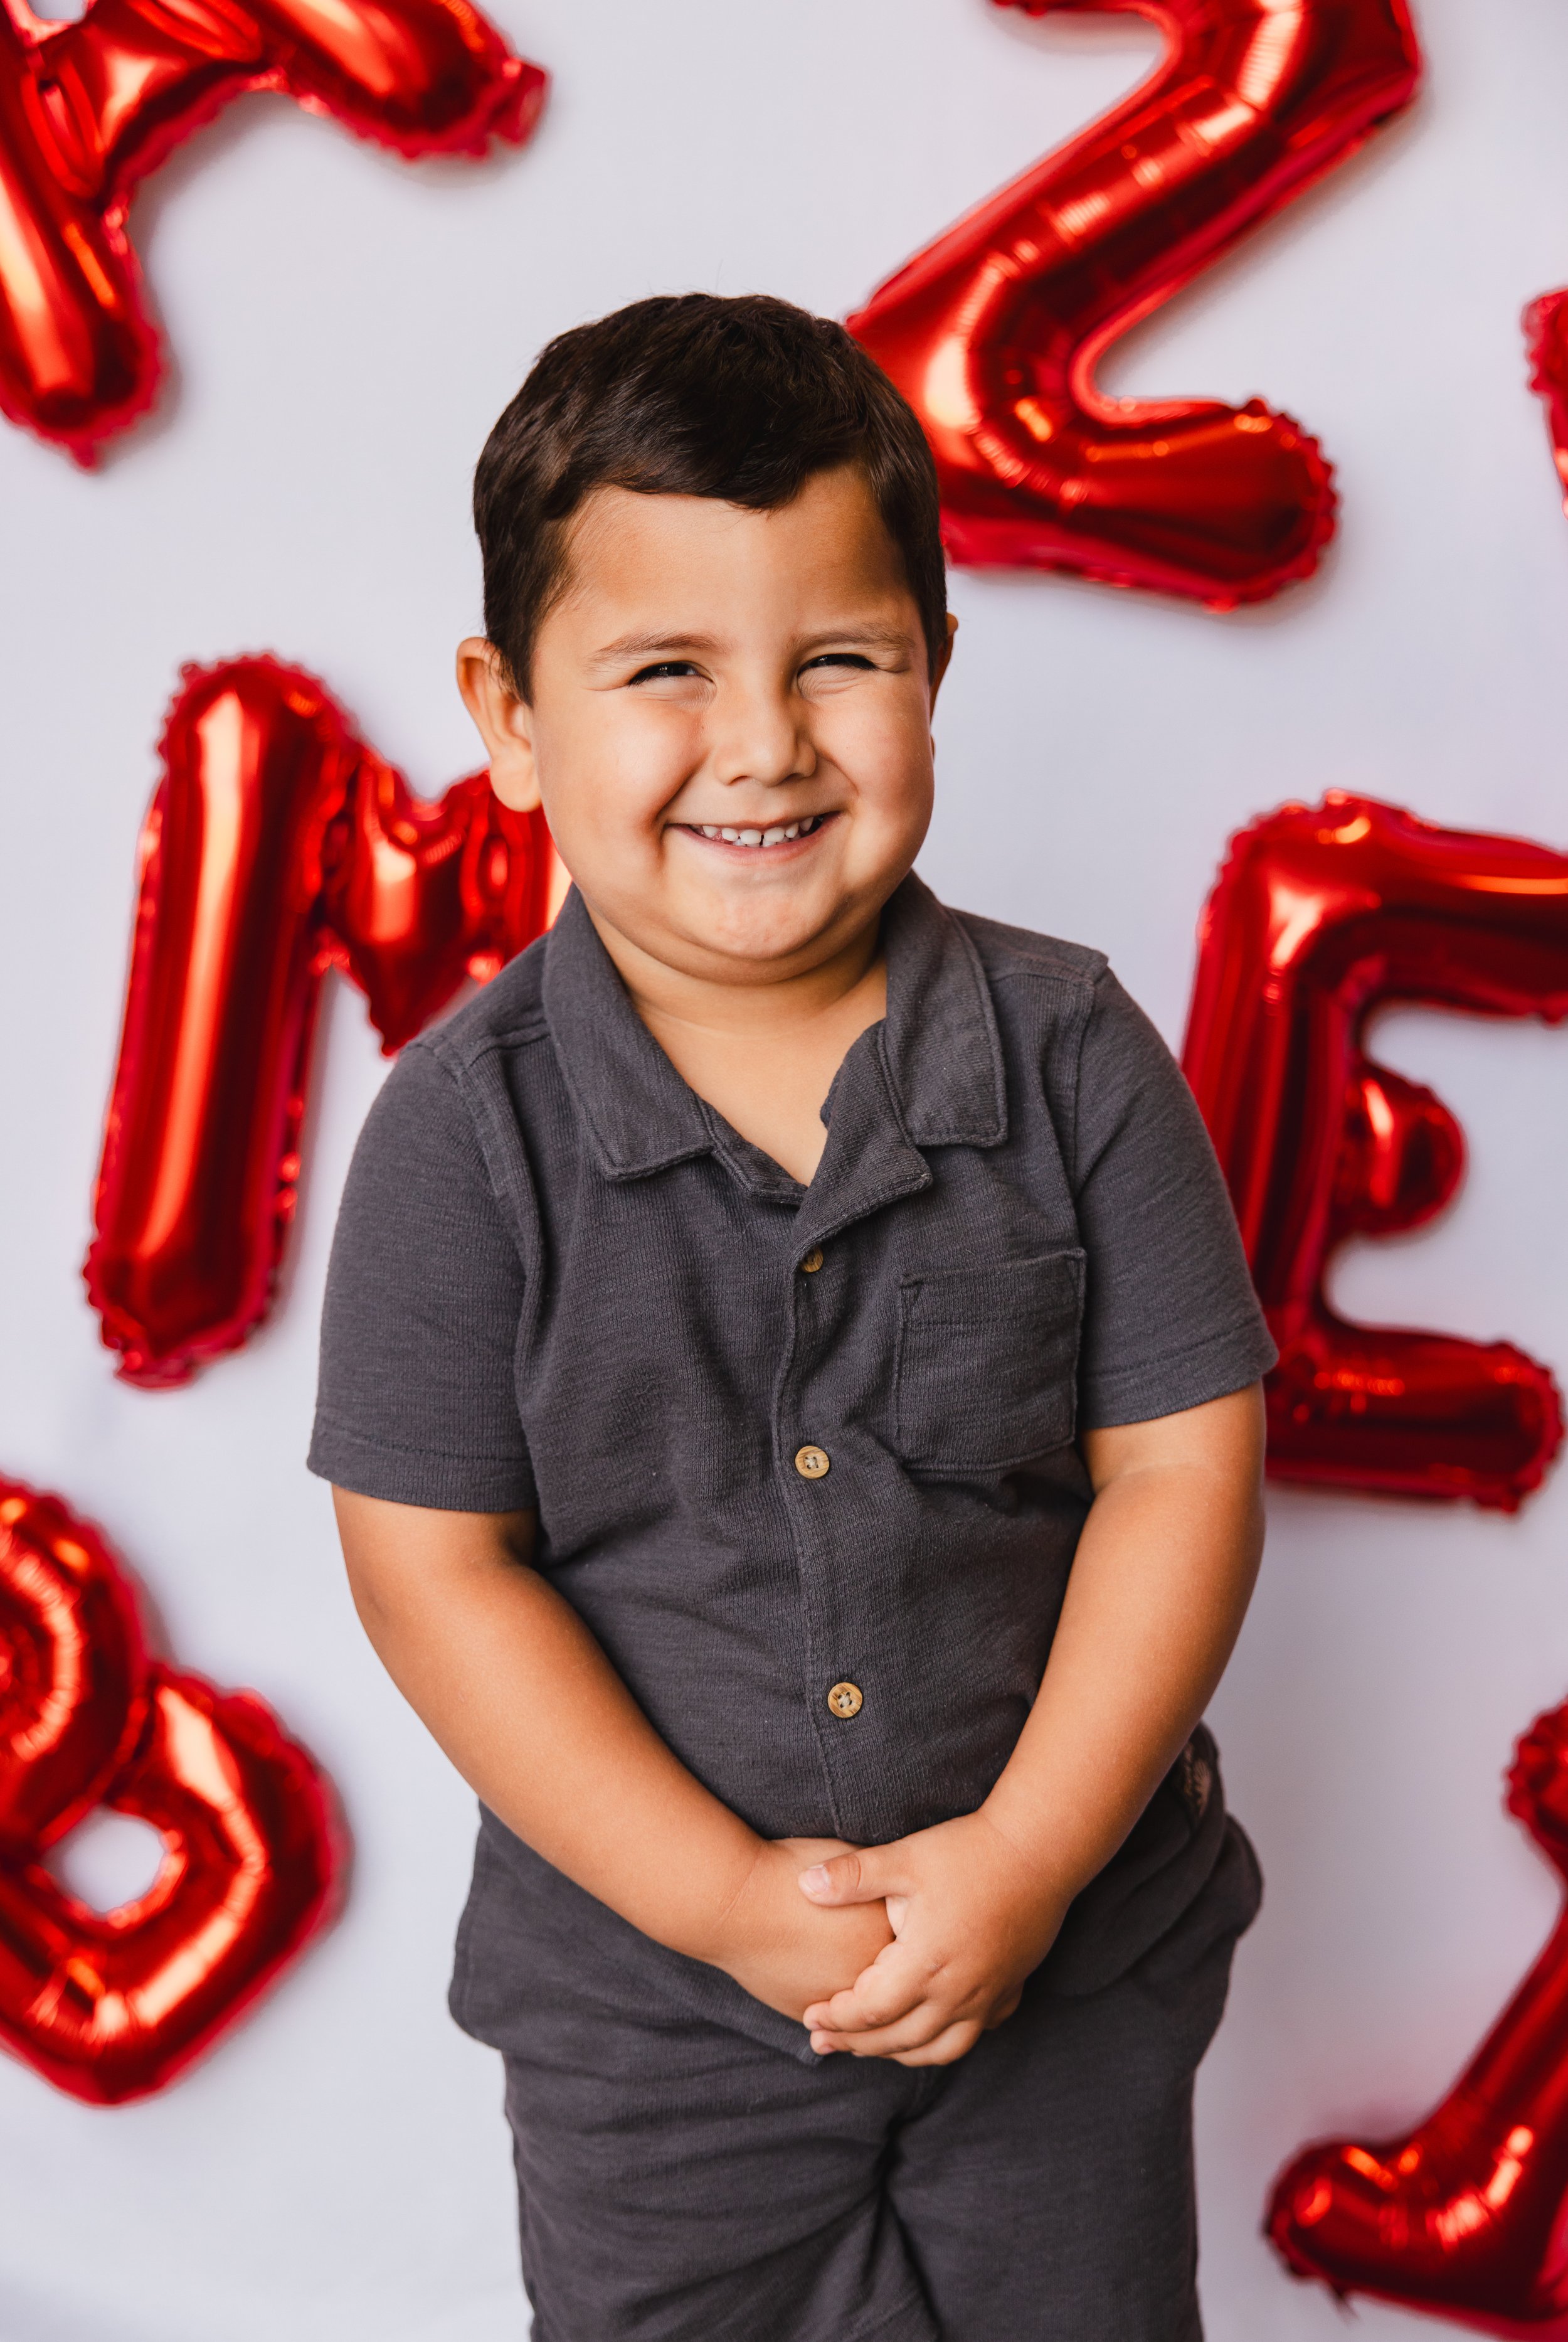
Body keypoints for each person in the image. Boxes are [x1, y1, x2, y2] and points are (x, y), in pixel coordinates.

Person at [309, 292, 1275, 2342]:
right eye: (665, 670)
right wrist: (719, 1903)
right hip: (650, 2027)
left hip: (1068, 1976)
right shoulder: (461, 1135)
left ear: (932, 666)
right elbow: (432, 1573)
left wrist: (1021, 1859)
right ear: (506, 713)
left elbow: (1180, 1474)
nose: (761, 745)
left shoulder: (1073, 1050)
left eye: (838, 660)